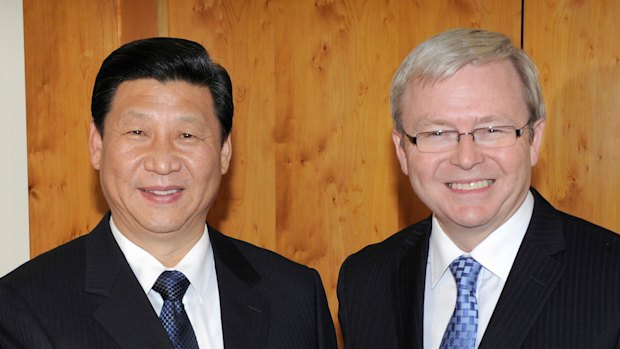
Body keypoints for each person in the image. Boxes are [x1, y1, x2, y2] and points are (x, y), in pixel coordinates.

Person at [0, 37, 337, 349]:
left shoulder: (294, 295)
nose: (163, 163)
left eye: (187, 135)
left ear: (224, 152)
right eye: (137, 132)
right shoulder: (24, 306)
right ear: (97, 145)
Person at [337, 28, 620, 349]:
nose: (467, 158)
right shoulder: (364, 280)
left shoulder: (612, 279)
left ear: (533, 139)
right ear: (403, 151)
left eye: (491, 129)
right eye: (438, 133)